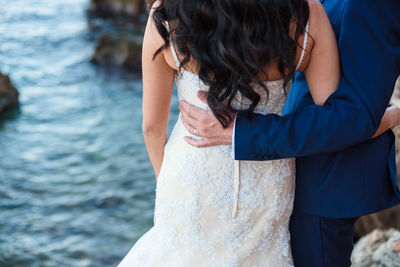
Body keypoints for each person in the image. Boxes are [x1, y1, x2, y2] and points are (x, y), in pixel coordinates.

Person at [118, 0, 400, 266]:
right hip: (268, 182)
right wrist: (387, 117)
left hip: (189, 179)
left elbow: (152, 129)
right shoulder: (306, 15)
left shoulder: (168, 12)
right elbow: (337, 117)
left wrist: (162, 189)